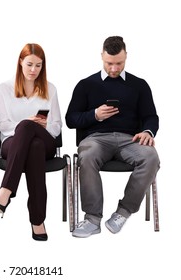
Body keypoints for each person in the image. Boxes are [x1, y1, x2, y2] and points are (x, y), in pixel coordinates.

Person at [65, 36, 160, 238]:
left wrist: (147, 132)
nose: (114, 69)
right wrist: (94, 115)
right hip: (96, 139)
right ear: (102, 56)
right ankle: (92, 219)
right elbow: (70, 119)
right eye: (109, 63)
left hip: (130, 140)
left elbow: (151, 116)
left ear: (126, 57)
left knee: (151, 157)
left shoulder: (139, 85)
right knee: (88, 156)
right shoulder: (85, 85)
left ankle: (123, 213)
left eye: (119, 63)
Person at [0, 43, 62, 241]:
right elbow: (3, 125)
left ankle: (5, 192)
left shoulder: (51, 89)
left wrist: (40, 127)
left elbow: (56, 127)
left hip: (46, 141)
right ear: (20, 62)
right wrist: (26, 126)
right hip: (12, 144)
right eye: (29, 64)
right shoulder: (4, 88)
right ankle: (38, 221)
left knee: (32, 132)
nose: (33, 70)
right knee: (32, 142)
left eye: (38, 66)